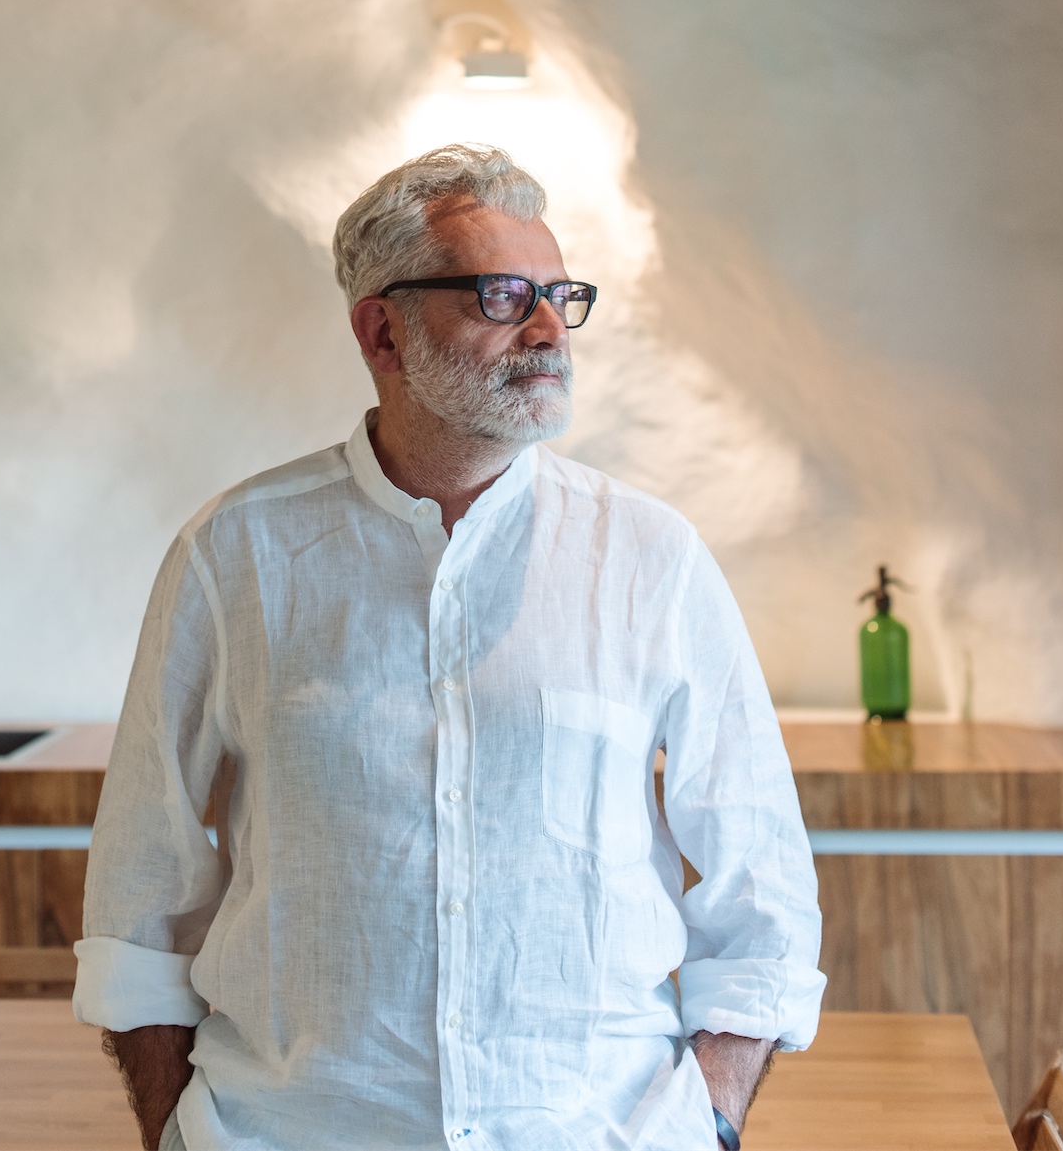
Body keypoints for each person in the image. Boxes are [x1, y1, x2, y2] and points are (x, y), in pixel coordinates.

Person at [74, 143, 825, 1151]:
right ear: (381, 330)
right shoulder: (236, 554)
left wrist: (710, 1118)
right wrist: (177, 1127)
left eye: (559, 295)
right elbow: (141, 887)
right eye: (502, 295)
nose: (548, 328)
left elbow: (761, 887)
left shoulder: (651, 558)